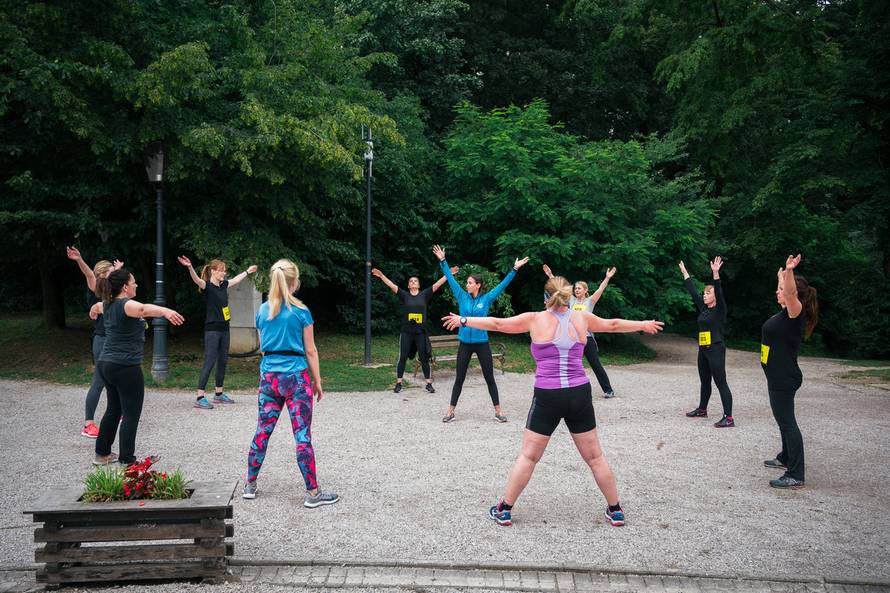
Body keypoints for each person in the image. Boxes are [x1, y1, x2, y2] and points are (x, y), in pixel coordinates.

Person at [442, 275, 663, 527]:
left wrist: (463, 319)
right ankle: (616, 510)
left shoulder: (536, 319)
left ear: (546, 297)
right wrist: (643, 324)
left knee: (528, 456)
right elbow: (612, 324)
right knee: (595, 457)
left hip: (548, 396)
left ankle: (504, 509)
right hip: (579, 393)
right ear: (568, 296)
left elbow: (497, 323)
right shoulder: (581, 318)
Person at [242, 259, 338, 507]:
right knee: (302, 435)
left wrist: (265, 378)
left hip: (270, 378)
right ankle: (313, 493)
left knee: (262, 430)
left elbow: (264, 348)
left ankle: (250, 484)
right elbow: (311, 350)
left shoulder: (262, 311)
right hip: (296, 377)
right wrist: (317, 380)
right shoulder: (301, 311)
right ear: (294, 282)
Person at [89, 269, 184, 465]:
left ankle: (102, 454)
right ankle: (127, 460)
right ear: (124, 287)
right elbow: (143, 310)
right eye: (133, 282)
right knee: (130, 413)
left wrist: (92, 310)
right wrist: (166, 311)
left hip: (106, 363)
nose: (136, 285)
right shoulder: (125, 304)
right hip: (125, 366)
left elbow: (96, 307)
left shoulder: (107, 303)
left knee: (113, 409)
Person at [433, 244, 528, 423]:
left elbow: (502, 286)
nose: (466, 285)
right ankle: (450, 411)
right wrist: (443, 261)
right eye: (467, 283)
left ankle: (498, 412)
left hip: (482, 343)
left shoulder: (486, 299)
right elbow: (449, 278)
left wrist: (514, 269)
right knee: (459, 378)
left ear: (477, 285)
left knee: (489, 378)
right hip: (465, 344)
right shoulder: (461, 296)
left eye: (469, 283)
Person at [761, 254, 819, 489]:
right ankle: (785, 457)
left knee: (787, 422)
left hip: (784, 377)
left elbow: (791, 294)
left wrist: (789, 270)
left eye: (781, 289)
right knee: (781, 418)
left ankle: (796, 473)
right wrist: (781, 276)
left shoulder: (796, 312)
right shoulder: (784, 313)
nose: (778, 292)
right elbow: (786, 291)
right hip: (777, 375)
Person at [177, 256, 258, 409]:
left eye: (224, 271)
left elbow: (236, 280)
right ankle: (200, 396)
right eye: (221, 271)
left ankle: (218, 394)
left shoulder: (223, 285)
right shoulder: (206, 286)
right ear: (213, 271)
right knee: (210, 361)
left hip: (224, 328)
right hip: (212, 329)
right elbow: (196, 279)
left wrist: (248, 271)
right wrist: (189, 267)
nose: (224, 273)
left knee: (223, 360)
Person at [371, 265, 458, 393]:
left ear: (418, 285)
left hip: (420, 332)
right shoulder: (404, 295)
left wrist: (449, 274)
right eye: (411, 281)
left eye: (415, 281)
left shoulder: (424, 295)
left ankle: (428, 383)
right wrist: (381, 276)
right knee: (403, 357)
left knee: (424, 357)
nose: (413, 282)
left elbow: (438, 284)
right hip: (407, 332)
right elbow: (392, 285)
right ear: (408, 286)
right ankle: (399, 383)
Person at [66, 246, 123, 438]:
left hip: (113, 339)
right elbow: (89, 274)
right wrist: (79, 260)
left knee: (114, 380)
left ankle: (117, 412)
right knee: (99, 382)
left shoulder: (109, 292)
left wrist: (118, 271)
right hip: (101, 340)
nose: (112, 277)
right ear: (101, 275)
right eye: (110, 274)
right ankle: (88, 424)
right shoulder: (95, 287)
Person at [542, 264, 617, 398]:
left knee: (595, 364)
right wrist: (550, 275)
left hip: (587, 338)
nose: (576, 290)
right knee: (567, 363)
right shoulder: (571, 300)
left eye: (579, 288)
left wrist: (607, 278)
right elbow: (558, 288)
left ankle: (608, 390)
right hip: (572, 339)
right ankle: (563, 389)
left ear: (585, 290)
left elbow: (601, 289)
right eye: (575, 288)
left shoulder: (590, 301)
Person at [679, 257, 735, 427]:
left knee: (721, 382)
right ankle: (702, 409)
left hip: (716, 349)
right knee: (704, 381)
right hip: (703, 349)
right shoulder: (704, 309)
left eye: (708, 293)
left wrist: (716, 273)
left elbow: (718, 290)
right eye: (705, 293)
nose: (704, 295)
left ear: (715, 297)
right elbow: (693, 291)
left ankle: (729, 417)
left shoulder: (720, 310)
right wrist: (685, 273)